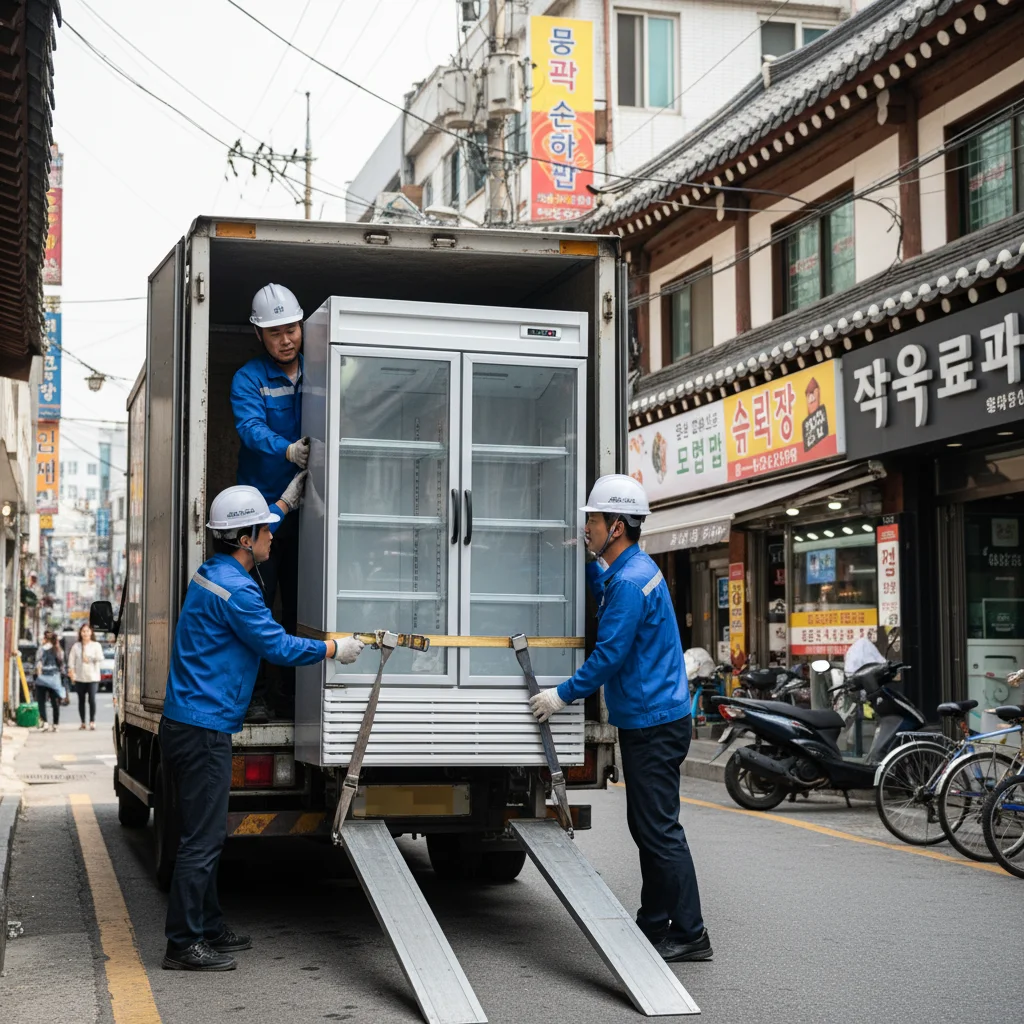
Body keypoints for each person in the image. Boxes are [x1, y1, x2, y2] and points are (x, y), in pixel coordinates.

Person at [160, 475, 365, 972]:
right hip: (203, 729)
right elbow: (276, 646)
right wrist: (335, 649)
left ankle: (207, 925)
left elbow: (255, 524)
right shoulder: (239, 593)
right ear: (245, 539)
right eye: (266, 530)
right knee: (203, 840)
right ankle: (184, 944)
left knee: (205, 835)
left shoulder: (214, 570)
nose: (274, 535)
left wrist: (284, 503)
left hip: (190, 723)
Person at [529, 474, 711, 963]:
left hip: (654, 722)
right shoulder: (630, 569)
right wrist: (576, 558)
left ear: (616, 526)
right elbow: (602, 583)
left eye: (592, 519)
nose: (586, 526)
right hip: (650, 719)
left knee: (659, 829)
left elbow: (608, 655)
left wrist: (560, 696)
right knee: (647, 825)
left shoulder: (630, 583)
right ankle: (654, 922)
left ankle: (691, 932)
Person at [230, 283, 310, 721]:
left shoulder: (322, 367)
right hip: (262, 514)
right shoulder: (249, 378)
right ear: (259, 334)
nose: (286, 339)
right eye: (275, 332)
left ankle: (300, 694)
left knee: (305, 604)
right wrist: (288, 451)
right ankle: (257, 695)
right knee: (258, 604)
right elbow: (248, 428)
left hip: (312, 507)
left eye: (292, 329)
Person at [69, 622, 104, 731]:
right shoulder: (76, 646)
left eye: (87, 631)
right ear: (80, 633)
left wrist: (90, 658)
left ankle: (92, 721)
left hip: (93, 677)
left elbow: (100, 657)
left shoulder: (96, 645)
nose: (85, 633)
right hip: (80, 677)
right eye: (83, 631)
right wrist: (72, 673)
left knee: (92, 699)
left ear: (91, 632)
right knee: (81, 700)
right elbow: (71, 661)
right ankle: (83, 722)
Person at [34, 630, 66, 732]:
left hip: (42, 678)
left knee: (41, 702)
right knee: (55, 702)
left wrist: (38, 673)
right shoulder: (59, 650)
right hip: (54, 678)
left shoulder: (41, 649)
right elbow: (62, 665)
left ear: (44, 638)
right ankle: (55, 724)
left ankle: (45, 723)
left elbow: (38, 662)